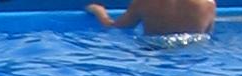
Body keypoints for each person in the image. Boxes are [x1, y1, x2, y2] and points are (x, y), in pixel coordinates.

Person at [85, 0, 215, 34]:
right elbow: (208, 33)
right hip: (193, 50)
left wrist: (99, 11)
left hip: (154, 49)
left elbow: (116, 27)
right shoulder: (208, 4)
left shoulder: (145, 2)